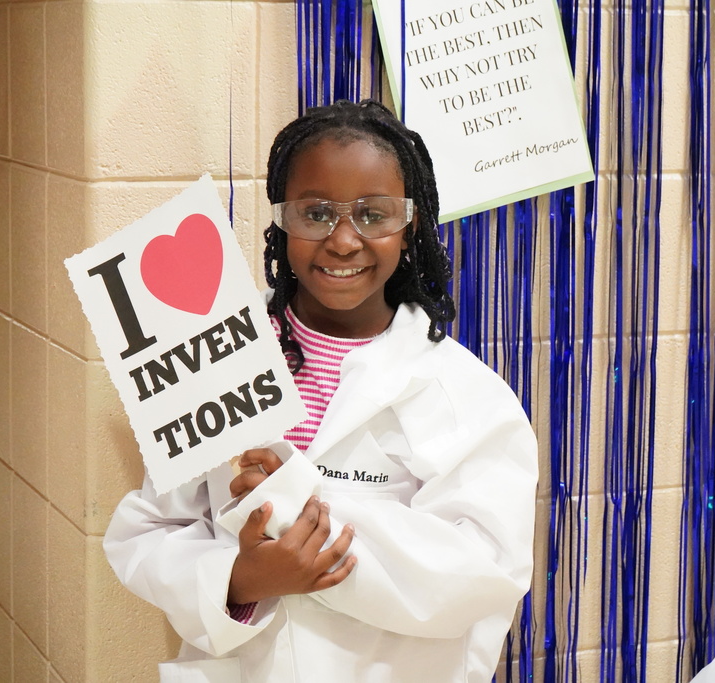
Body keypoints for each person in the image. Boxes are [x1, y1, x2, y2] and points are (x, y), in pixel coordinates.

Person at [104, 99, 538, 683]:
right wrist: (242, 582)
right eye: (314, 214)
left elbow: (479, 577)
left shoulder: (467, 395)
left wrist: (291, 507)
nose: (342, 241)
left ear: (409, 226)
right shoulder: (215, 358)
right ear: (281, 221)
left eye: (373, 214)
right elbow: (148, 531)